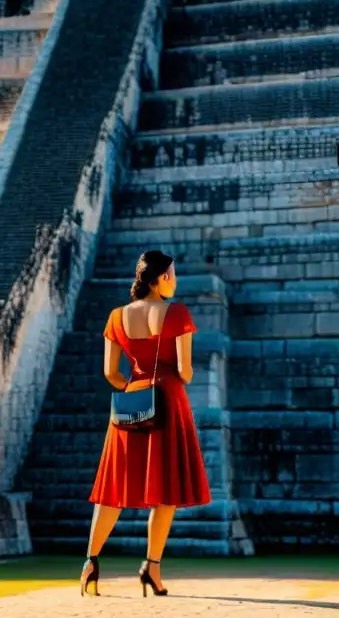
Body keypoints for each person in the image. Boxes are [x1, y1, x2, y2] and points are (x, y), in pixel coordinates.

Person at [80, 250, 211, 598]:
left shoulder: (116, 316)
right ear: (162, 279)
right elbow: (184, 371)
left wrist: (133, 389)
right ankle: (151, 567)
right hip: (167, 400)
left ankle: (91, 562)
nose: (176, 280)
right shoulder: (177, 312)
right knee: (163, 490)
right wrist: (166, 381)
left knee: (114, 487)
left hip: (130, 404)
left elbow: (110, 372)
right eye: (173, 274)